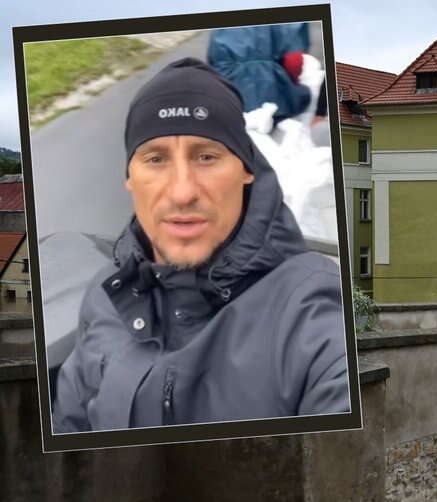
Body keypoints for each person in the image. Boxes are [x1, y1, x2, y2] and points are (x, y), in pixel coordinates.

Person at [53, 58, 350, 433]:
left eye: (206, 157)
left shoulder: (309, 307)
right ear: (130, 178)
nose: (182, 192)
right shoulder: (105, 293)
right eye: (155, 159)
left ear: (246, 169)